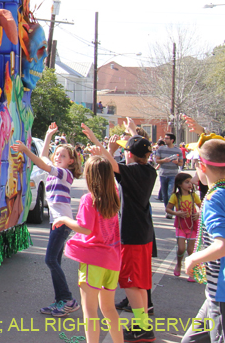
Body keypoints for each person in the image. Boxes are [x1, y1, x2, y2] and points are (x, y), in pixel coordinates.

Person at [84, 121, 157, 343]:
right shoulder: (149, 170)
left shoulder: (132, 171)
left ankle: (143, 328)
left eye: (126, 150)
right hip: (144, 233)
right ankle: (142, 324)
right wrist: (134, 131)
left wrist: (96, 141)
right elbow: (138, 149)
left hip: (132, 234)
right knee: (141, 283)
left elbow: (110, 163)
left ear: (130, 155)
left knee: (131, 284)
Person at [11, 121, 84, 317]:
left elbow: (41, 162)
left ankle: (68, 299)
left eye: (63, 155)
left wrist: (26, 149)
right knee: (55, 261)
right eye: (57, 154)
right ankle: (61, 300)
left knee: (50, 260)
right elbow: (44, 157)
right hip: (57, 222)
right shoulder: (54, 169)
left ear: (71, 161)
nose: (58, 157)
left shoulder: (64, 173)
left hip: (62, 222)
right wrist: (49, 134)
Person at [54, 155, 123, 343]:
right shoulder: (114, 196)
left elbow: (85, 228)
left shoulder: (89, 199)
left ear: (90, 176)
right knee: (109, 309)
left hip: (94, 260)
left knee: (90, 309)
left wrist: (64, 219)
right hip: (113, 260)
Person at [183, 135, 225, 343]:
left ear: (202, 166)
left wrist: (194, 258)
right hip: (214, 292)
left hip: (221, 292)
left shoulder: (214, 197)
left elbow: (222, 245)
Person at [167, 172, 201, 279]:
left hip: (192, 226)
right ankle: (179, 264)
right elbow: (168, 209)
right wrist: (176, 213)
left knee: (191, 250)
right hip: (181, 226)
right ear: (179, 184)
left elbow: (202, 207)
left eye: (191, 182)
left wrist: (198, 214)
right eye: (187, 182)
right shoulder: (175, 196)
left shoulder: (193, 196)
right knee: (181, 248)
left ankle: (191, 270)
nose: (190, 185)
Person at [155, 132, 181, 206]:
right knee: (165, 194)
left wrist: (177, 162)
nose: (165, 140)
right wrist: (163, 160)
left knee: (171, 193)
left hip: (173, 174)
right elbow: (157, 160)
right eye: (164, 138)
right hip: (163, 174)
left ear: (172, 140)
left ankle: (170, 210)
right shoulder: (160, 149)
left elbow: (181, 163)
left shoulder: (178, 150)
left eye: (166, 138)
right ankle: (167, 209)